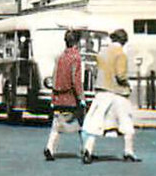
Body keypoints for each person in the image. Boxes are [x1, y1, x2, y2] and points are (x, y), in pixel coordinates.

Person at [82, 29, 139, 163]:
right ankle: (128, 151)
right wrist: (127, 83)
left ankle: (88, 150)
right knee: (126, 122)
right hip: (117, 93)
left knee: (96, 122)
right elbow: (120, 75)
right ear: (124, 41)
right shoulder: (121, 54)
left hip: (101, 91)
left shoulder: (102, 53)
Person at [44, 31, 85, 161]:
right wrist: (81, 98)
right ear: (77, 43)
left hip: (58, 97)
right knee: (82, 124)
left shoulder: (60, 57)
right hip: (71, 97)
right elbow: (76, 80)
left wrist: (53, 96)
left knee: (56, 125)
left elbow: (55, 77)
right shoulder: (76, 57)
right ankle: (86, 149)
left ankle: (50, 148)